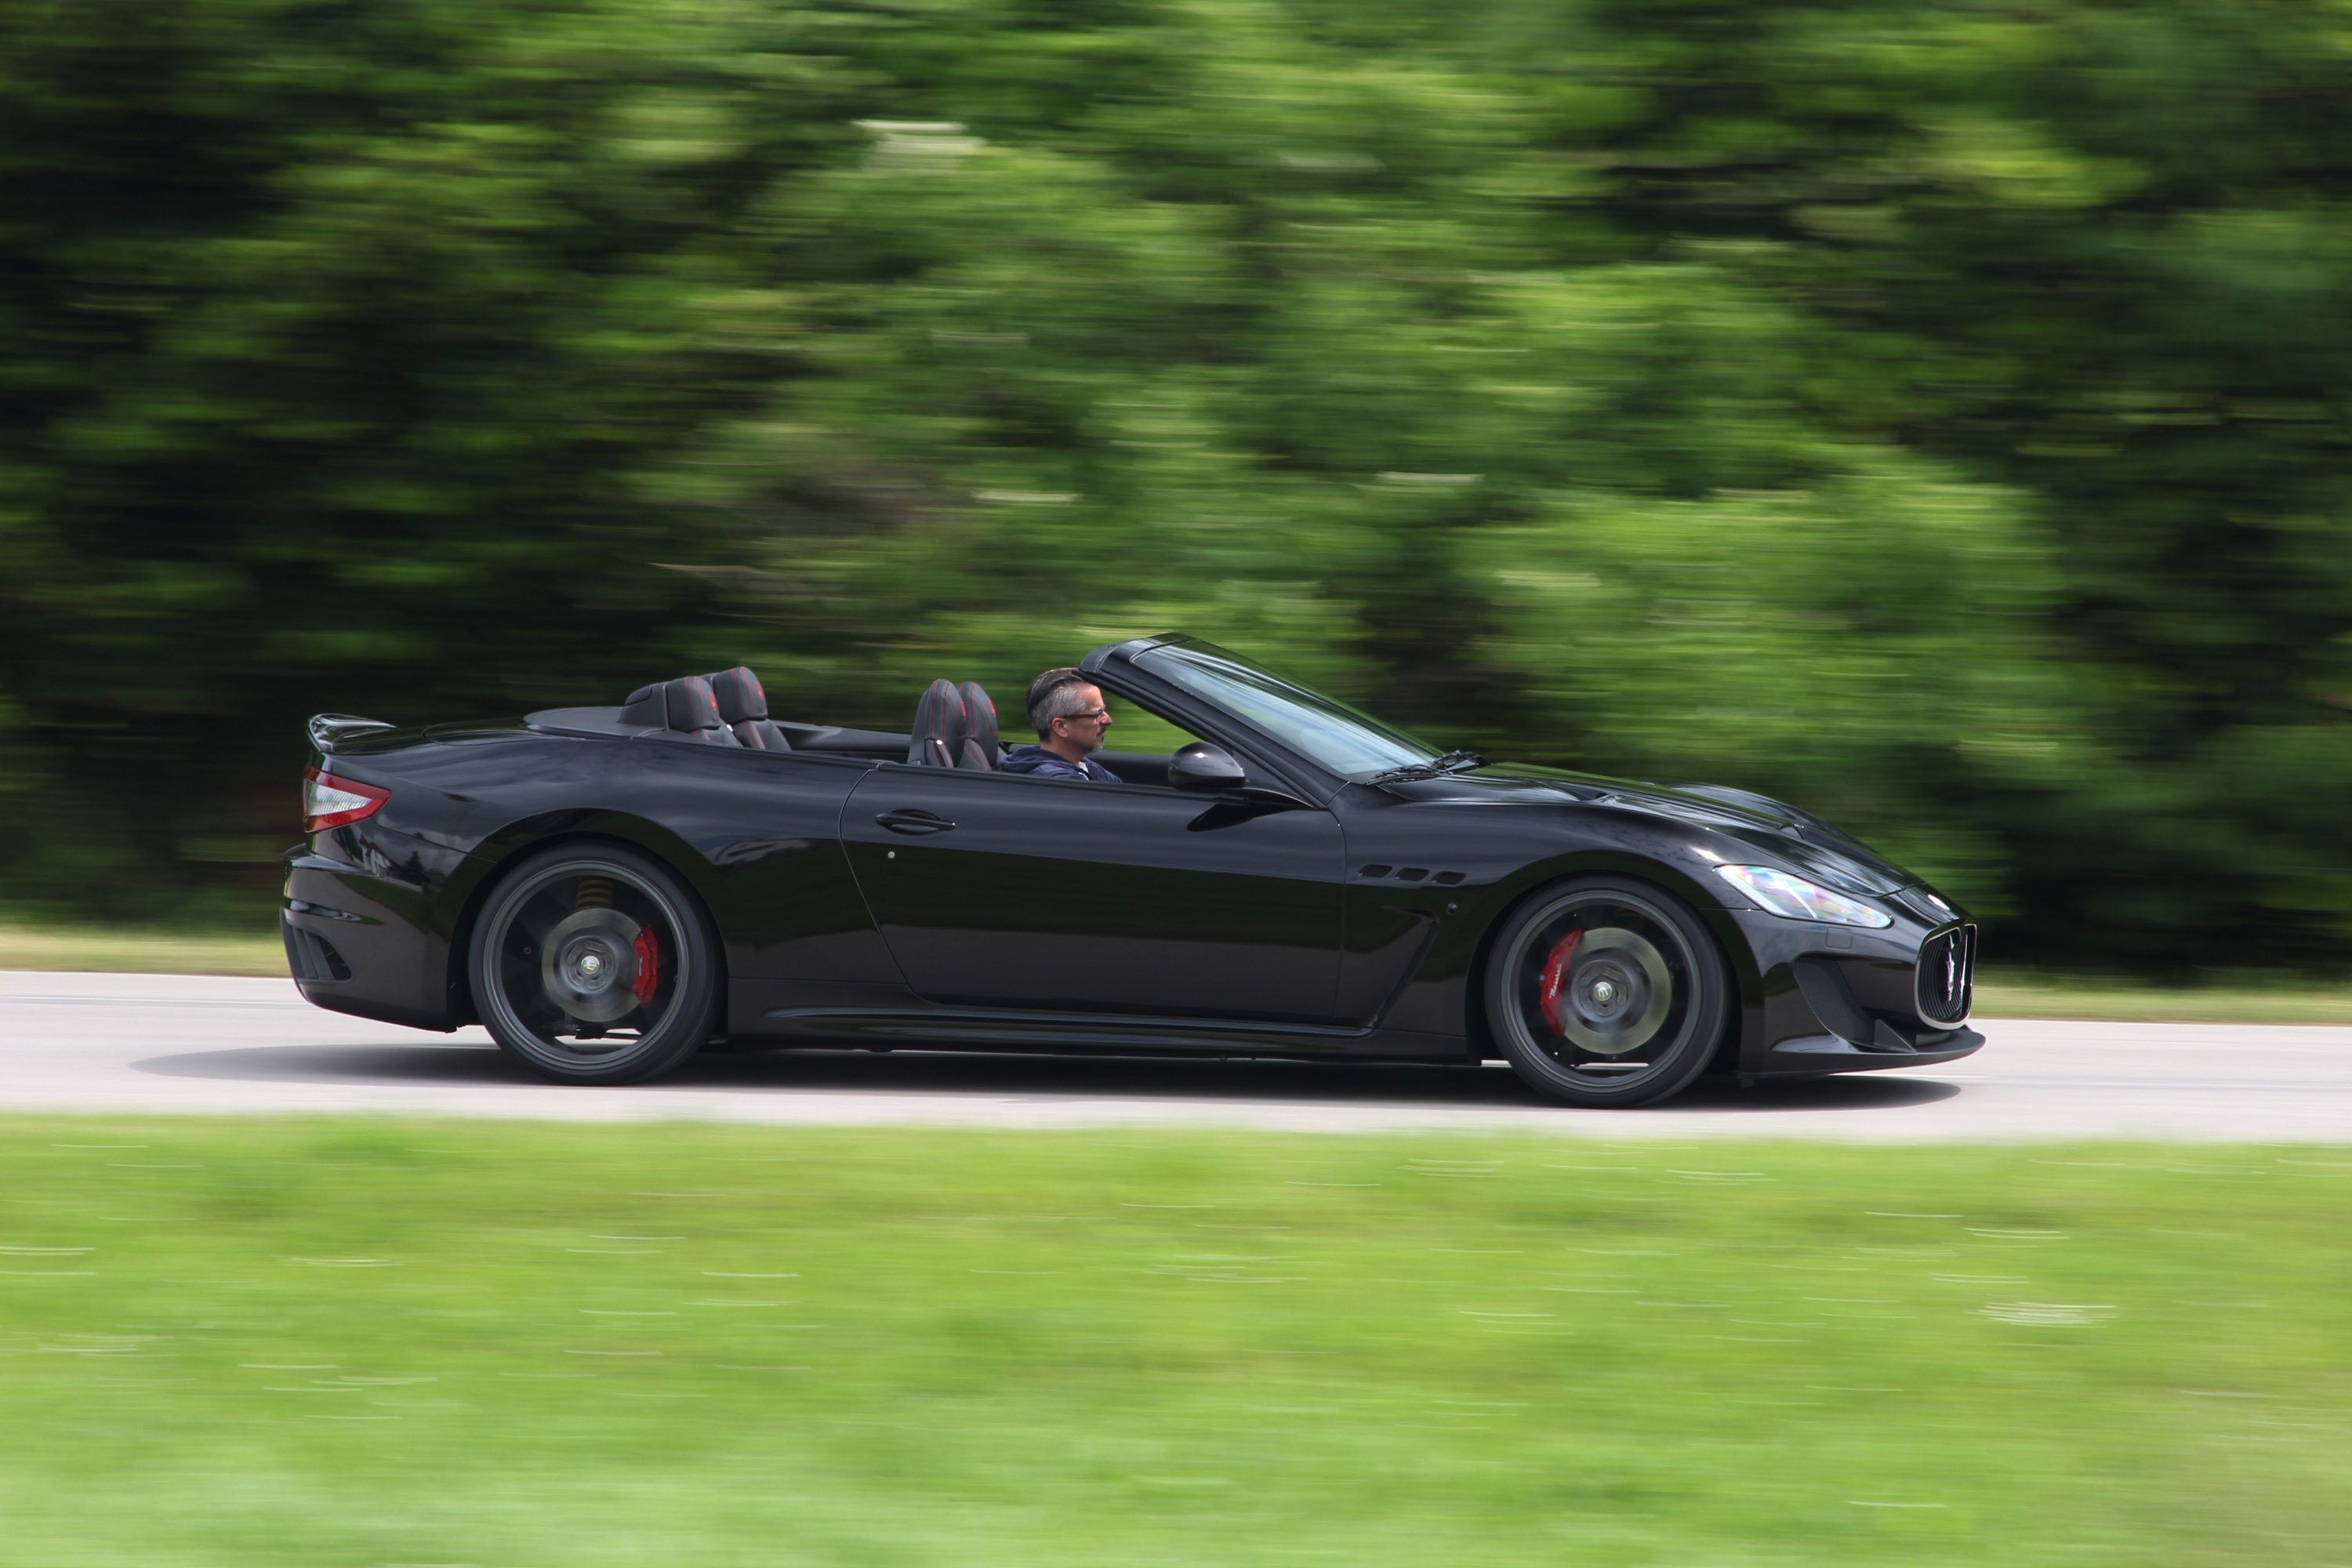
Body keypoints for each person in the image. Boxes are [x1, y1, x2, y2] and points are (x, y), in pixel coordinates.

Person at [997, 667, 1122, 782]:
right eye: (1097, 714)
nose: (1108, 720)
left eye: (1104, 710)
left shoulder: (1084, 766)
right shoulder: (1060, 783)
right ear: (1061, 727)